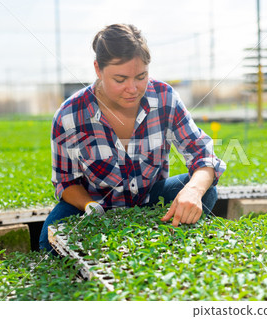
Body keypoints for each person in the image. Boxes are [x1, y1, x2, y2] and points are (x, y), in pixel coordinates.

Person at [39, 24, 226, 252]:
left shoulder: (164, 98)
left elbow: (203, 155)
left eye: (141, 76)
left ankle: (159, 240)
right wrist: (91, 208)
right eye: (120, 79)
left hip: (150, 199)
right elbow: (66, 183)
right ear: (98, 69)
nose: (133, 88)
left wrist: (193, 191)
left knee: (207, 190)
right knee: (48, 242)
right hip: (95, 203)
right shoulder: (69, 116)